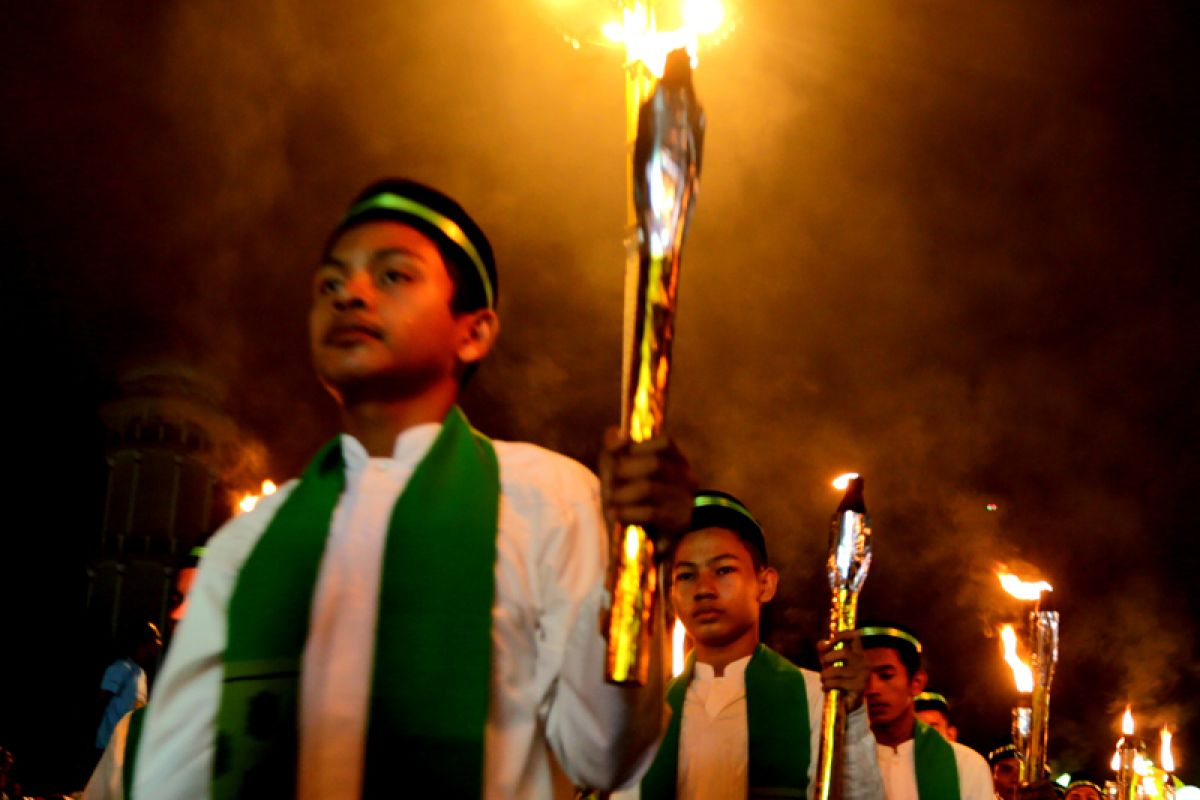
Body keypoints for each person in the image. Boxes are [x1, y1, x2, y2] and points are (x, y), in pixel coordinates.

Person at [133, 178, 696, 799]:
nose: (351, 294)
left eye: (393, 276)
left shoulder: (548, 497)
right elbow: (172, 778)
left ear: (474, 332)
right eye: (330, 283)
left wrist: (638, 564)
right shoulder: (251, 542)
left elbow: (601, 756)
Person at [621, 490, 882, 800]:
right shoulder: (648, 716)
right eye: (687, 575)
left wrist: (849, 717)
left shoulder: (815, 697)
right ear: (671, 594)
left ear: (765, 584)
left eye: (723, 570)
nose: (704, 589)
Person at [860, 625, 993, 800]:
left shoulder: (964, 764)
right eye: (862, 678)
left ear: (916, 683)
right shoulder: (844, 762)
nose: (872, 689)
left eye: (886, 676)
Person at [94, 623, 161, 753]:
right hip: (108, 747)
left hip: (124, 748)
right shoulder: (121, 668)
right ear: (144, 643)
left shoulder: (141, 674)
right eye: (155, 640)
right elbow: (101, 701)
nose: (158, 644)